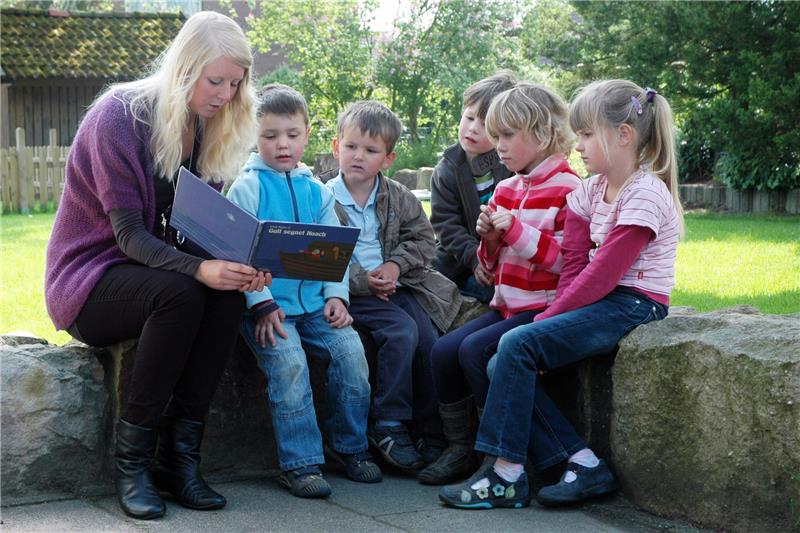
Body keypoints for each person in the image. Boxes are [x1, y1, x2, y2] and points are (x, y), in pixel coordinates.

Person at [44, 12, 267, 520]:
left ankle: (179, 460)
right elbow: (129, 237)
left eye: (235, 84)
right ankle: (133, 464)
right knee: (183, 292)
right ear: (185, 69)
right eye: (216, 81)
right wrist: (199, 270)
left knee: (227, 293)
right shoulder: (118, 115)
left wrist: (242, 264)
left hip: (155, 272)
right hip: (91, 279)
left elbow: (201, 232)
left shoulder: (207, 123)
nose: (225, 94)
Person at [439, 79, 683, 509]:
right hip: (602, 300)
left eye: (588, 135)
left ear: (623, 135)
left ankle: (506, 474)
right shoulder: (589, 191)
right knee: (503, 360)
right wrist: (552, 317)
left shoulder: (645, 193)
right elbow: (573, 264)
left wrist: (548, 319)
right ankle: (582, 461)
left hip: (636, 304)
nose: (580, 145)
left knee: (515, 344)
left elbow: (605, 272)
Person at [419, 83, 581, 485]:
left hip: (541, 308)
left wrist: (514, 231)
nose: (499, 145)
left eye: (508, 135)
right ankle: (462, 447)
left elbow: (564, 263)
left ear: (542, 136)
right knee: (443, 351)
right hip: (505, 304)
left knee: (476, 351)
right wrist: (489, 241)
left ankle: (503, 456)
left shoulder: (569, 189)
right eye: (498, 134)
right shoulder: (508, 188)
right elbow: (493, 266)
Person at [227, 84, 380, 499]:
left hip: (316, 304)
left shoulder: (317, 190)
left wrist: (336, 296)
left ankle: (352, 448)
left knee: (351, 356)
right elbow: (237, 255)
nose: (282, 145)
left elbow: (333, 251)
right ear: (252, 137)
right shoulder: (247, 188)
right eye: (270, 135)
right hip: (269, 308)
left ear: (307, 134)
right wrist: (261, 304)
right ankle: (300, 463)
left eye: (292, 135)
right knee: (289, 364)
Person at [325, 101, 462, 473]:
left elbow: (423, 239)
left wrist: (394, 264)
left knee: (430, 340)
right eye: (351, 147)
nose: (358, 157)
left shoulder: (397, 196)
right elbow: (321, 252)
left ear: (388, 158)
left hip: (397, 286)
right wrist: (361, 280)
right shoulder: (324, 198)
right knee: (400, 332)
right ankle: (387, 423)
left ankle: (429, 430)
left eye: (371, 151)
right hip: (350, 290)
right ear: (337, 148)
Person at [429, 71, 516, 304]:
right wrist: (475, 259)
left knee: (499, 287)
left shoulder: (511, 163)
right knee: (427, 281)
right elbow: (446, 227)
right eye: (469, 118)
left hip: (505, 254)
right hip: (458, 257)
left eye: (485, 124)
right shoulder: (447, 169)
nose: (473, 129)